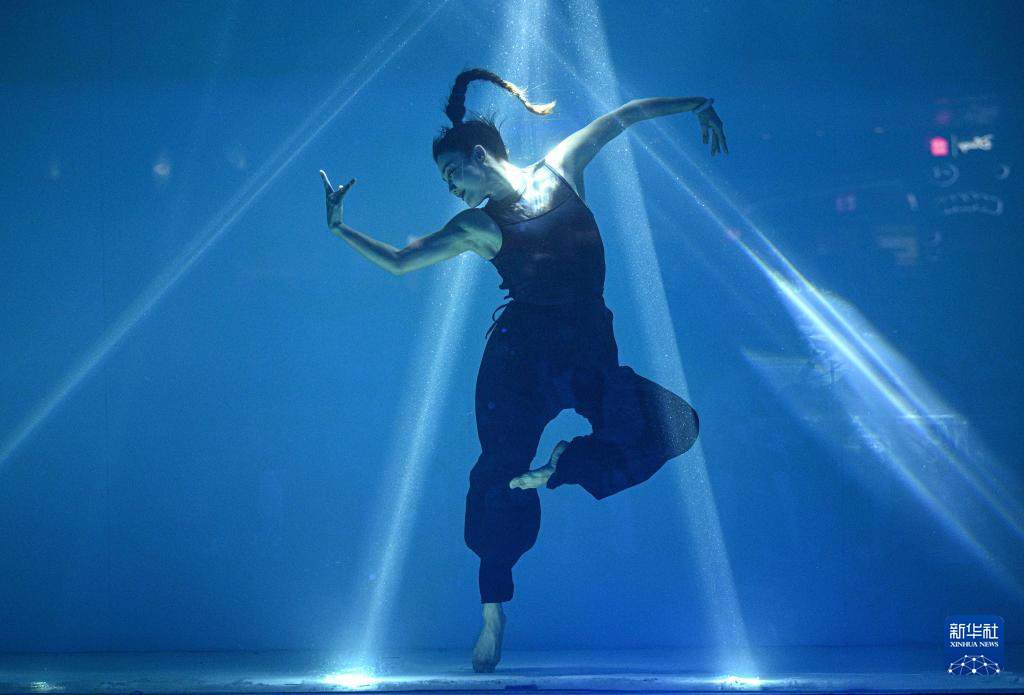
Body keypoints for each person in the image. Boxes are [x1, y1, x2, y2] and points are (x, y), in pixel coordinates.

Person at [319, 68, 726, 673]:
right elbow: (402, 262)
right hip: (520, 363)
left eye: (452, 173)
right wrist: (339, 228)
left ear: (479, 156)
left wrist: (698, 102)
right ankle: (492, 611)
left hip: (586, 350)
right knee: (497, 476)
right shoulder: (476, 226)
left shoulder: (560, 168)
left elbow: (621, 117)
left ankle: (562, 467)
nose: (451, 187)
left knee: (677, 423)